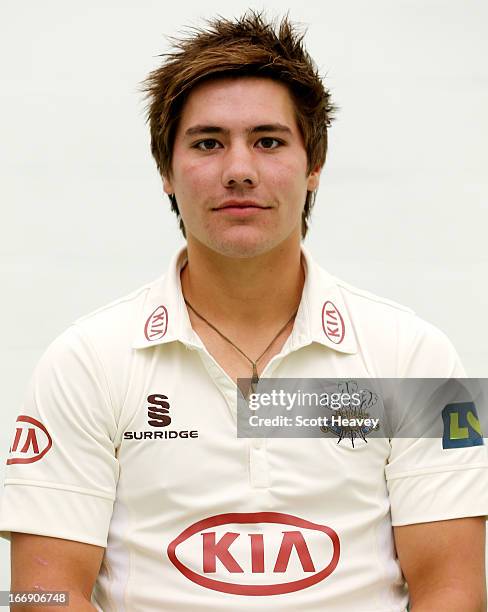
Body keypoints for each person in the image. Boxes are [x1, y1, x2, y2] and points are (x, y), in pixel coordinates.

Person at [0, 11, 487, 612]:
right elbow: (39, 593)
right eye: (207, 143)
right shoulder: (85, 360)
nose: (239, 170)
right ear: (166, 173)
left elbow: (454, 588)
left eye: (269, 140)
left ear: (314, 167)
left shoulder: (418, 357)